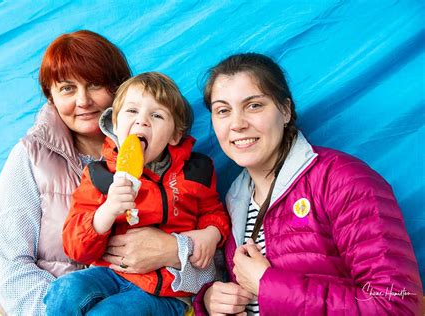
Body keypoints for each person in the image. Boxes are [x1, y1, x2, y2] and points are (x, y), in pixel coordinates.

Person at [193, 53, 423, 315]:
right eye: (223, 110)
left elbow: (397, 305)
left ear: (285, 110)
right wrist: (210, 301)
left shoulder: (343, 181)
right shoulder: (233, 199)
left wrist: (269, 285)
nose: (237, 124)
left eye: (254, 105)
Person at [44, 72, 230, 315]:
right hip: (110, 274)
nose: (142, 121)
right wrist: (107, 211)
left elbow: (214, 212)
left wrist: (211, 233)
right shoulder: (100, 175)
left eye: (156, 115)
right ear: (116, 124)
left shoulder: (196, 171)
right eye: (132, 112)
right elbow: (76, 247)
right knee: (65, 289)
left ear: (175, 135)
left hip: (165, 290)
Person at [0, 30, 132, 315]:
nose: (83, 101)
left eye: (94, 84)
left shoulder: (151, 151)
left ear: (118, 87)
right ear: (51, 96)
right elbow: (10, 267)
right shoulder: (30, 157)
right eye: (67, 88)